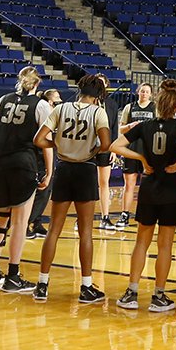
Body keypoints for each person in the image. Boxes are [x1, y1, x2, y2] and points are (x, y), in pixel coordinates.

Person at [32, 74, 112, 303]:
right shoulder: (98, 112)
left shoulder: (61, 108)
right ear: (98, 96)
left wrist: (57, 144)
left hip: (64, 168)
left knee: (54, 230)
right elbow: (105, 144)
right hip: (85, 169)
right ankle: (86, 287)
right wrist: (92, 151)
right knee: (86, 231)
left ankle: (42, 284)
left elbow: (39, 140)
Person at [111, 78, 176, 311]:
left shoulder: (144, 127)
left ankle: (131, 292)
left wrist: (142, 158)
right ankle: (159, 296)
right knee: (165, 246)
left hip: (149, 188)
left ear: (157, 101)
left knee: (141, 243)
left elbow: (115, 146)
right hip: (172, 189)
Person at [0, 66, 52, 293]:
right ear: (36, 84)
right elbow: (44, 141)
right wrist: (49, 170)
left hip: (1, 162)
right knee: (20, 222)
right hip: (23, 164)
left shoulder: (3, 100)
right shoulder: (40, 105)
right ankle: (13, 275)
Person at [117, 82, 156, 229]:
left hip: (148, 151)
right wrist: (130, 126)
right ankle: (125, 214)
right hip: (132, 150)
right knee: (129, 184)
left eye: (147, 92)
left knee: (147, 184)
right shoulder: (130, 107)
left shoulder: (154, 108)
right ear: (138, 92)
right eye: (142, 91)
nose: (144, 94)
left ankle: (147, 213)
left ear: (151, 94)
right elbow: (121, 129)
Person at [27, 88, 62, 239]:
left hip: (48, 153)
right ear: (49, 101)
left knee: (46, 191)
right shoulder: (44, 111)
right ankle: (26, 223)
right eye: (57, 99)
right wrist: (49, 169)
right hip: (40, 154)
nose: (59, 102)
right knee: (42, 189)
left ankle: (36, 221)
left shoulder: (56, 114)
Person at [95, 75, 121, 232]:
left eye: (102, 83)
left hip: (106, 147)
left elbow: (115, 128)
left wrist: (114, 149)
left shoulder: (111, 104)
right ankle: (81, 218)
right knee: (88, 184)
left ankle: (105, 217)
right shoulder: (87, 101)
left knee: (104, 183)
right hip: (89, 148)